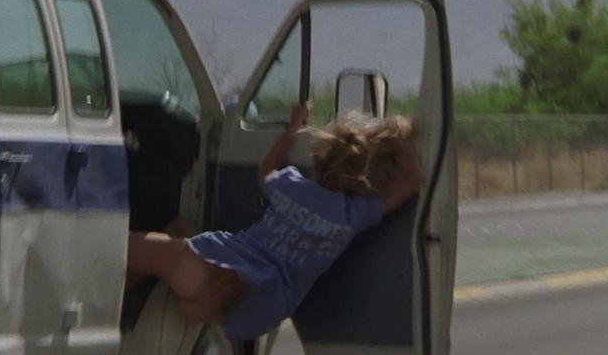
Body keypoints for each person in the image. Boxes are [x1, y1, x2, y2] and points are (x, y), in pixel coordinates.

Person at [125, 103, 424, 340]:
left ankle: (148, 293)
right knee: (181, 229)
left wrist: (293, 127)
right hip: (260, 311)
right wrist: (403, 137)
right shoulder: (353, 215)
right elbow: (414, 182)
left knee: (121, 246)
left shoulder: (293, 187)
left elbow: (266, 170)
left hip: (210, 267)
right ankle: (220, 290)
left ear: (319, 162)